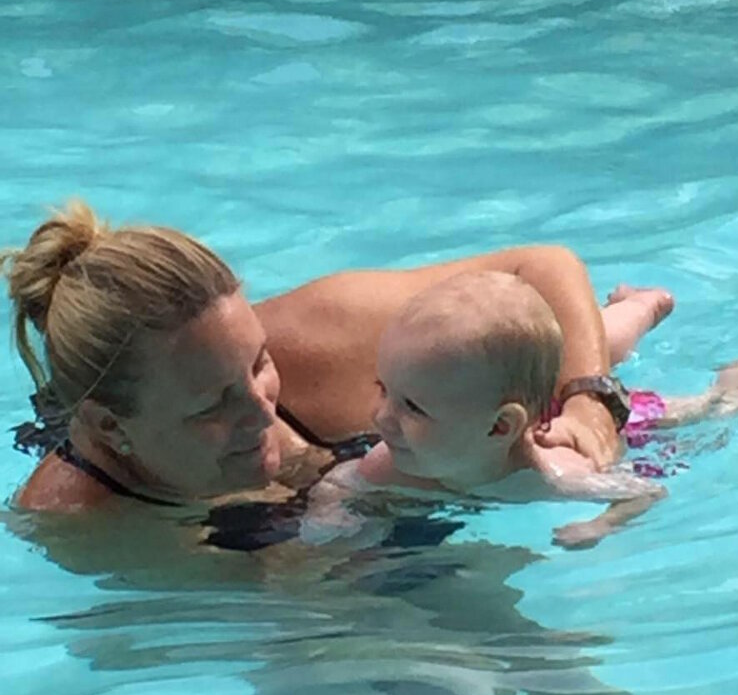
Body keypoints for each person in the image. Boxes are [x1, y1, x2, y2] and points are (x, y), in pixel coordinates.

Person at [2, 201, 633, 514]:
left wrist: (593, 405)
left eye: (256, 363)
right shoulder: (79, 518)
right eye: (213, 405)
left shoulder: (318, 337)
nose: (258, 409)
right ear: (112, 429)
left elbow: (541, 267)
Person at [305, 272, 738, 548]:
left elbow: (645, 490)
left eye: (411, 407)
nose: (381, 418)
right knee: (593, 349)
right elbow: (337, 485)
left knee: (717, 406)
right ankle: (639, 306)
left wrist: (598, 526)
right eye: (383, 389)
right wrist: (330, 518)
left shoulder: (554, 476)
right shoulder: (391, 462)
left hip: (625, 425)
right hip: (548, 396)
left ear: (501, 427)